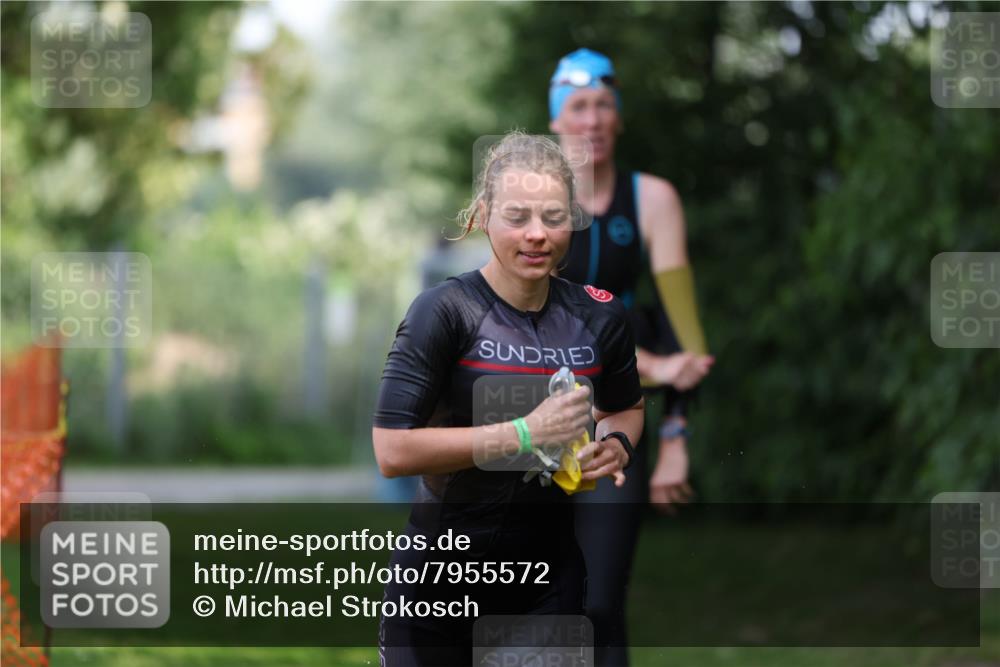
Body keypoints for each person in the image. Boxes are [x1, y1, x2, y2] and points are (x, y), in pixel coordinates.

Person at [372, 131, 645, 666]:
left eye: (553, 217)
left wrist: (616, 444)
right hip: (438, 577)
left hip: (546, 586)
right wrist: (524, 434)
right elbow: (392, 452)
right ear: (483, 215)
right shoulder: (443, 312)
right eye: (518, 217)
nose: (537, 235)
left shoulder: (601, 318)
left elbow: (625, 407)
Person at [548, 48, 714, 666]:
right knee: (529, 600)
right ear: (556, 121)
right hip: (535, 415)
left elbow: (685, 335)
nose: (591, 120)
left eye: (604, 106)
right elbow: (536, 320)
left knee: (599, 602)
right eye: (578, 106)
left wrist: (675, 436)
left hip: (618, 419)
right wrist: (657, 366)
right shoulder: (535, 201)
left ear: (619, 119)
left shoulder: (653, 199)